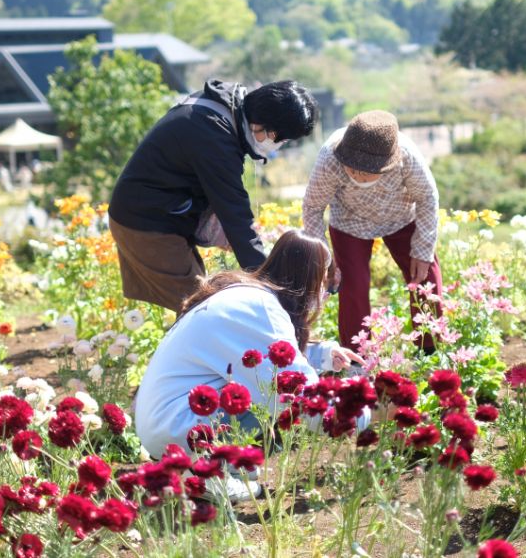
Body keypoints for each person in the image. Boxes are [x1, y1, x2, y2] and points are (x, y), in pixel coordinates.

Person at [133, 230, 365, 498]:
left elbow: (261, 353)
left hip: (162, 423)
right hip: (180, 431)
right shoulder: (260, 309)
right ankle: (208, 475)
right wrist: (370, 412)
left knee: (263, 388)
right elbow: (302, 396)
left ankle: (210, 470)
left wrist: (323, 353)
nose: (325, 296)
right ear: (311, 282)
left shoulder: (247, 297)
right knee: (271, 397)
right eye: (328, 287)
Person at [108, 80, 318, 313]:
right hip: (146, 223)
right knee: (199, 309)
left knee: (199, 304)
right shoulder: (214, 136)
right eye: (280, 139)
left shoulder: (223, 110)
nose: (278, 146)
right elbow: (234, 214)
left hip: (160, 214)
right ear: (263, 127)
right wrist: (270, 285)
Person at [302, 110, 442, 352]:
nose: (357, 174)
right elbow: (313, 207)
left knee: (424, 276)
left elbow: (428, 198)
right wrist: (324, 259)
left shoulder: (407, 156)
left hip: (402, 216)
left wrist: (422, 250)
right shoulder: (330, 158)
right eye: (352, 167)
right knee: (352, 285)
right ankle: (356, 356)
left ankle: (431, 348)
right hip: (350, 221)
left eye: (365, 170)